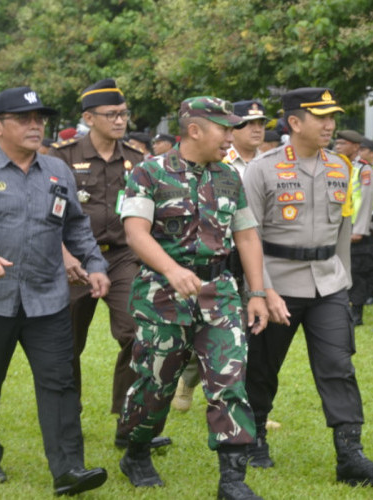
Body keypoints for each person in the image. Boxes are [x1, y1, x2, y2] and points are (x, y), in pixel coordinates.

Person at [243, 87, 373, 487]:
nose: (330, 125)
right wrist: (262, 291)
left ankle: (350, 455)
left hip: (327, 285)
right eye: (321, 117)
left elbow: (343, 229)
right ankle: (255, 435)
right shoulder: (262, 169)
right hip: (277, 283)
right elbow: (249, 236)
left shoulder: (340, 166)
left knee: (338, 366)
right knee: (262, 366)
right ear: (295, 122)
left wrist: (342, 280)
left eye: (333, 117)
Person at [117, 96, 269, 499]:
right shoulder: (149, 174)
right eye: (225, 127)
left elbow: (247, 235)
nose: (231, 135)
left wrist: (256, 292)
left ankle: (233, 480)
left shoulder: (228, 177)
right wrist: (172, 269)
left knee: (229, 381)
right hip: (161, 297)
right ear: (195, 129)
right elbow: (136, 232)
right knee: (157, 383)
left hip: (219, 294)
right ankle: (136, 450)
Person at [0, 86, 109, 494]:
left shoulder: (58, 172)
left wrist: (94, 264)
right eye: (24, 119)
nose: (35, 125)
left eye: (39, 118)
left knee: (59, 383)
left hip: (48, 298)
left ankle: (69, 470)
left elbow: (75, 225)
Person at [49, 78, 171, 451]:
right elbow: (46, 215)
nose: (120, 120)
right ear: (88, 117)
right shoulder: (61, 157)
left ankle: (128, 419)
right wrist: (65, 255)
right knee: (65, 345)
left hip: (122, 256)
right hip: (71, 256)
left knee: (138, 333)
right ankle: (68, 421)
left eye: (124, 113)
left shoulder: (136, 159)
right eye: (111, 114)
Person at [171, 99, 268, 412]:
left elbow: (250, 231)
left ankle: (245, 414)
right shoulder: (220, 164)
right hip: (206, 267)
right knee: (195, 338)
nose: (254, 130)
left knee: (239, 340)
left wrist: (260, 288)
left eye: (260, 124)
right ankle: (187, 379)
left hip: (247, 262)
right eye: (244, 124)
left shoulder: (268, 163)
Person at [335, 129, 373, 326]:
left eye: (343, 143)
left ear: (355, 147)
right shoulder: (333, 166)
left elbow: (367, 200)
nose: (338, 146)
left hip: (355, 229)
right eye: (337, 142)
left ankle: (357, 311)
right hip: (337, 226)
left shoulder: (364, 170)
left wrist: (360, 229)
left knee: (358, 271)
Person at [358, 138, 373, 305]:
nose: (360, 152)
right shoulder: (357, 169)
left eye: (363, 149)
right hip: (361, 217)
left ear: (372, 153)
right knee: (362, 258)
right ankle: (363, 289)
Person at [224, 100, 268, 177]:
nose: (257, 130)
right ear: (233, 127)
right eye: (250, 123)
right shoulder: (219, 160)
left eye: (261, 123)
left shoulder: (269, 161)